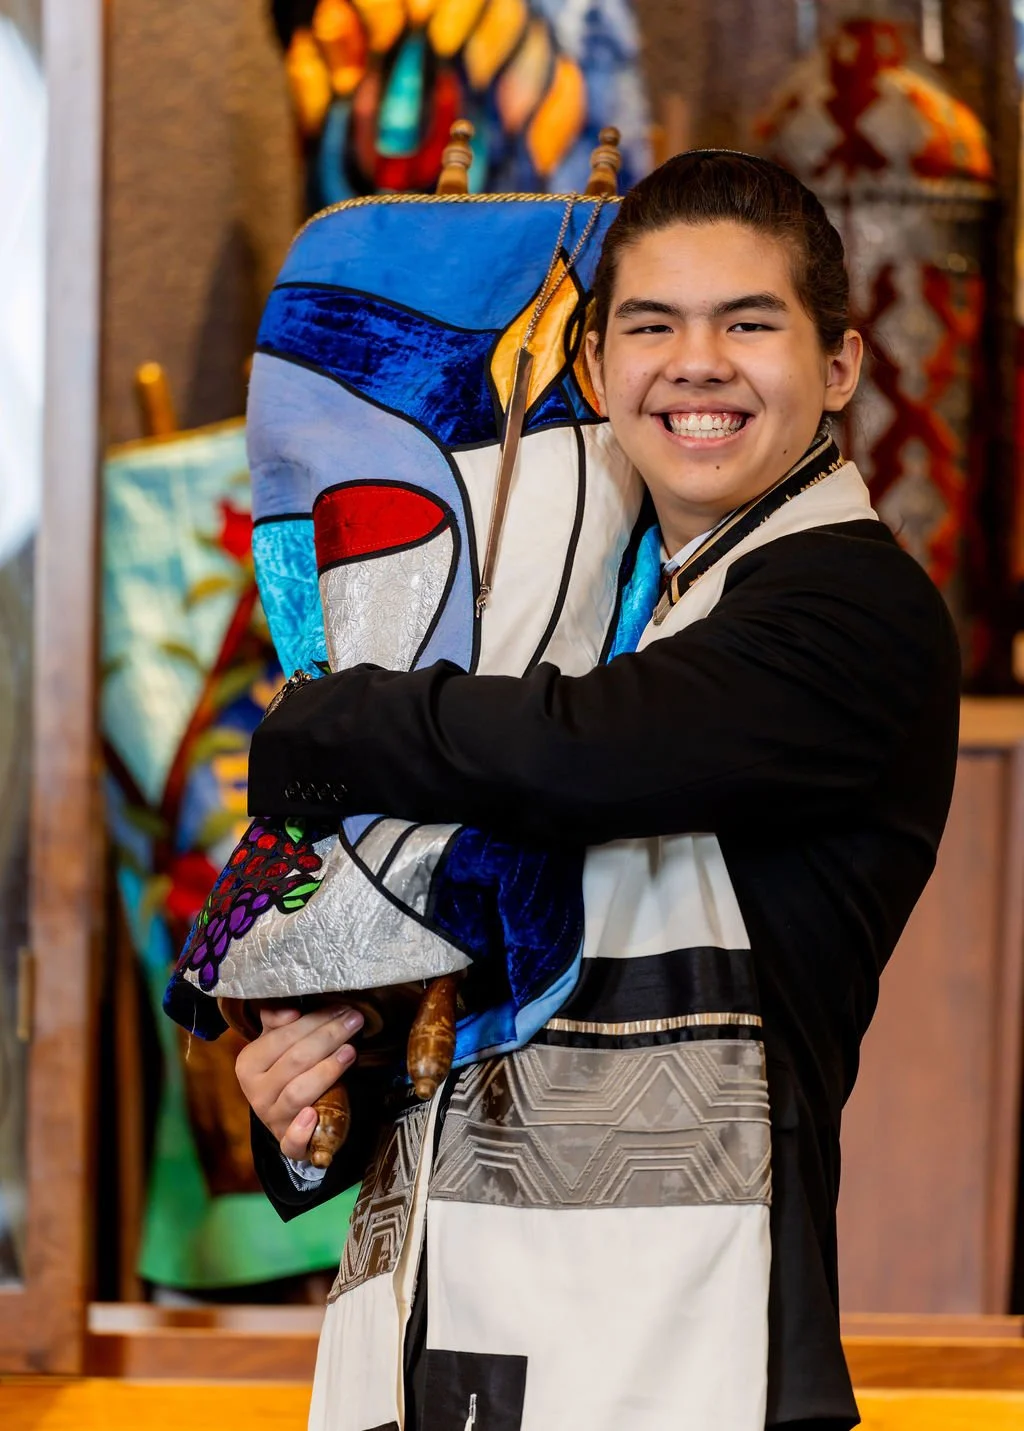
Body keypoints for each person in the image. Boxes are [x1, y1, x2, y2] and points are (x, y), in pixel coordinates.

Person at [235, 151, 960, 1430]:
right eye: (650, 325)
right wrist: (308, 1102)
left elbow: (590, 750)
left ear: (839, 366)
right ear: (592, 372)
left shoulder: (850, 606)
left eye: (748, 323)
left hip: (693, 1353)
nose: (695, 362)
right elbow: (480, 972)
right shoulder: (603, 623)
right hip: (454, 1335)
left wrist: (330, 722)